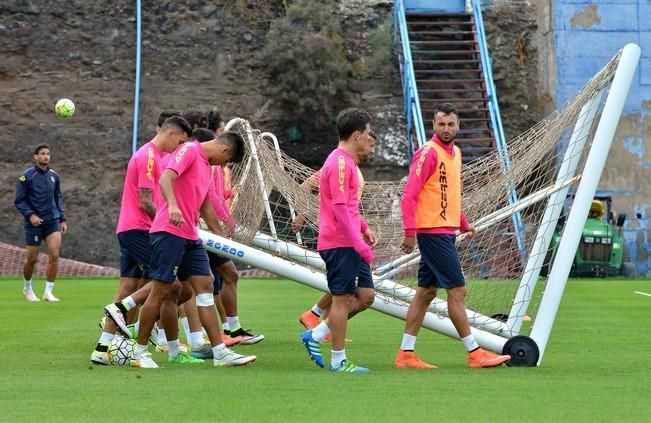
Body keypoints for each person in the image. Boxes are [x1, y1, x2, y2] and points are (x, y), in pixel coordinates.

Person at [394, 102, 511, 369]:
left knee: (425, 293)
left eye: (451, 124)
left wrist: (462, 223)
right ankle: (474, 353)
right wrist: (410, 232)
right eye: (441, 124)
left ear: (458, 126)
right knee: (458, 291)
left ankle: (406, 355)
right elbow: (410, 194)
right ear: (433, 126)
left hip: (445, 231)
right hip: (432, 233)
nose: (446, 129)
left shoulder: (456, 153)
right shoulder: (428, 153)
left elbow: (449, 194)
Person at [126, 131, 256, 368]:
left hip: (190, 235)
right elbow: (166, 178)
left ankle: (219, 353)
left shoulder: (207, 166)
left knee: (205, 284)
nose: (223, 165)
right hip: (168, 232)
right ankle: (140, 353)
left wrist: (220, 236)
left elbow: (205, 203)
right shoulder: (189, 150)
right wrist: (173, 206)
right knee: (161, 291)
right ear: (225, 151)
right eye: (226, 161)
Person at [90, 115, 192, 365]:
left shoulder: (157, 156)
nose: (178, 148)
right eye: (179, 142)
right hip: (140, 229)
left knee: (130, 285)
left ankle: (102, 349)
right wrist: (168, 220)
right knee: (172, 285)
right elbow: (145, 200)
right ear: (169, 134)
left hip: (131, 228)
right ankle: (156, 340)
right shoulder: (147, 156)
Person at [300, 108, 376, 373]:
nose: (369, 140)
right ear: (357, 135)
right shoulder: (341, 163)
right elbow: (340, 208)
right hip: (340, 243)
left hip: (349, 239)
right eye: (368, 135)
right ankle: (338, 361)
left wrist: (363, 228)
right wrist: (358, 244)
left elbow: (350, 207)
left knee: (366, 296)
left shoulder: (345, 163)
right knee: (341, 301)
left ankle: (316, 334)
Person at [15, 144, 68, 302]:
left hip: (52, 221)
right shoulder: (27, 176)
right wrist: (30, 215)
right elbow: (19, 200)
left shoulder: (54, 176)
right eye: (42, 154)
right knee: (32, 259)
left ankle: (48, 292)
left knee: (54, 254)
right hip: (34, 223)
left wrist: (62, 218)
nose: (46, 156)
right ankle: (27, 288)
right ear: (35, 157)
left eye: (48, 154)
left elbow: (58, 198)